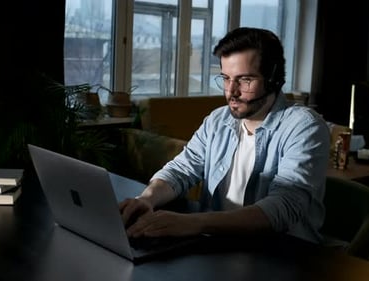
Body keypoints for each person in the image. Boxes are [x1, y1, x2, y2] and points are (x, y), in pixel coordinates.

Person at [119, 27, 330, 244]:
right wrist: (146, 199)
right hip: (222, 246)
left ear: (273, 79)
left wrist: (192, 223)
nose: (231, 91)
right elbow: (181, 169)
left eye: (245, 80)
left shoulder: (305, 127)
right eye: (226, 78)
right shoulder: (218, 120)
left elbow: (282, 207)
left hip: (283, 256)